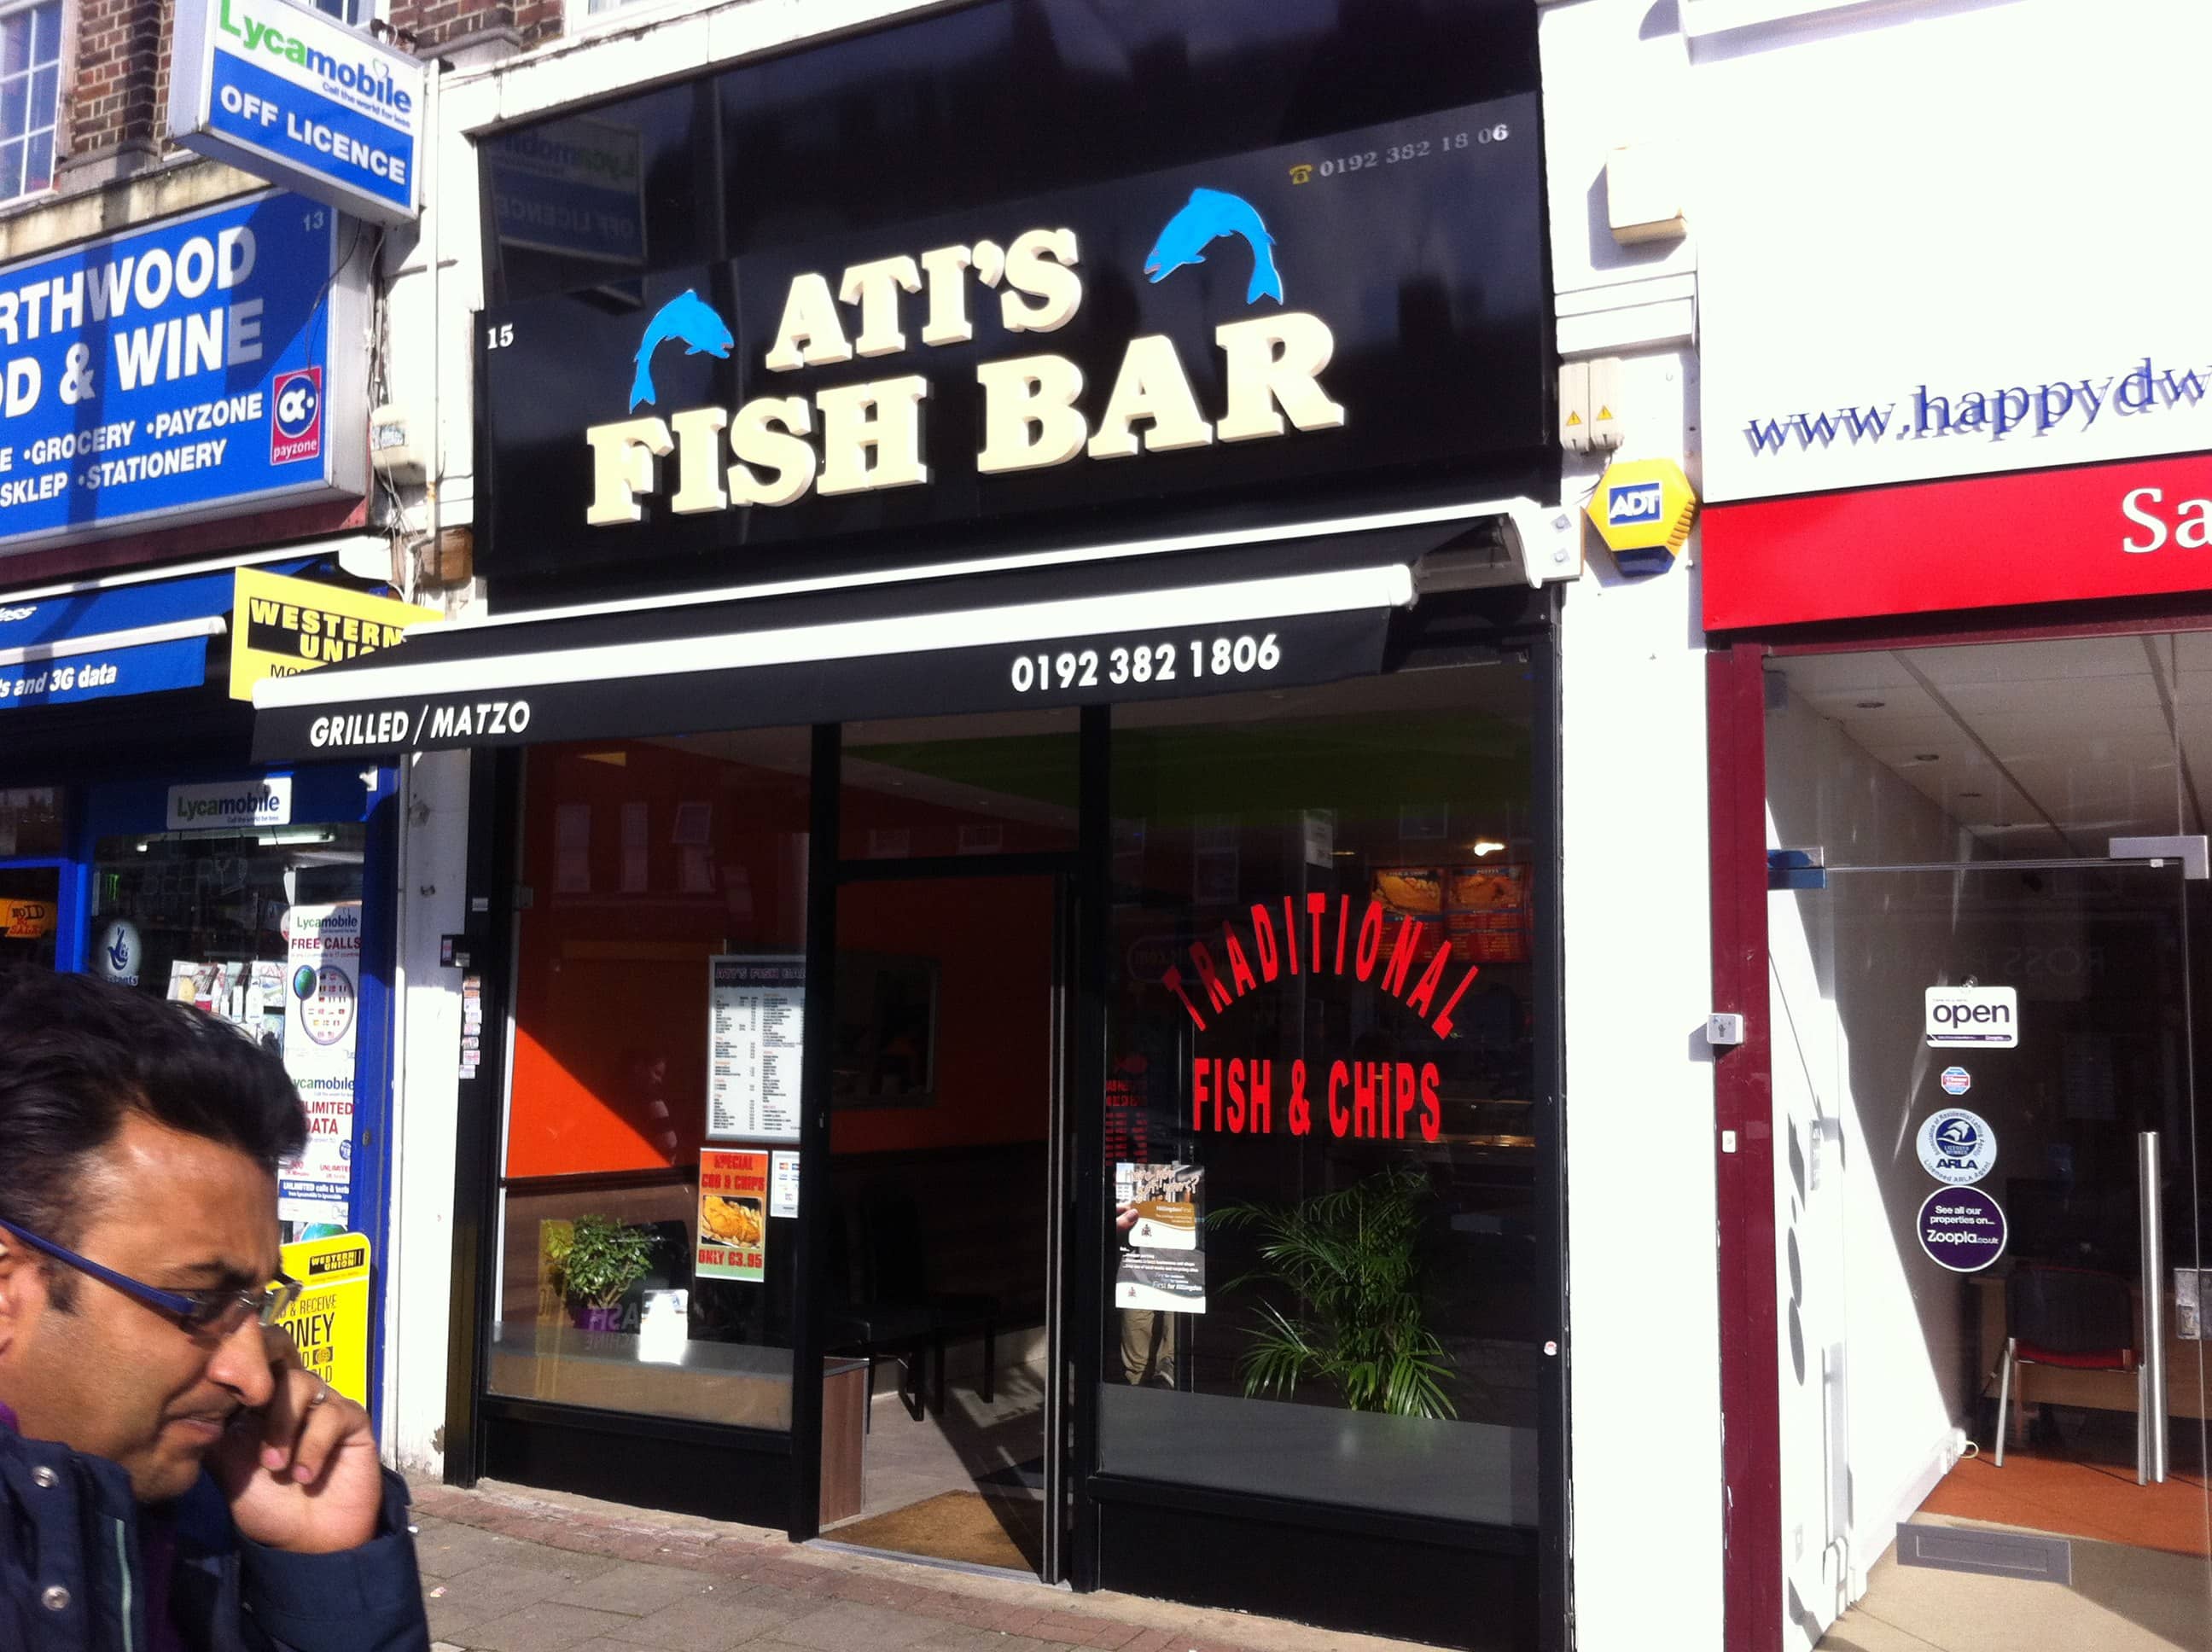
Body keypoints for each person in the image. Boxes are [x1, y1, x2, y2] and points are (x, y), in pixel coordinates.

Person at [0, 969, 429, 1651]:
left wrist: (321, 1575)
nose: (256, 1379)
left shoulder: (197, 1527)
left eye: (255, 1303)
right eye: (199, 1302)